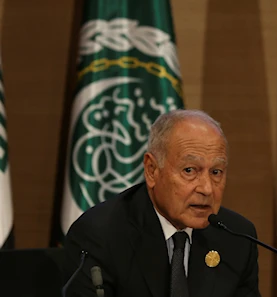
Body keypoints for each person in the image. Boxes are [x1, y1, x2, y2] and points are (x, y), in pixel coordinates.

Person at [63, 109, 261, 297]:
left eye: (216, 172)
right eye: (190, 171)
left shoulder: (237, 239)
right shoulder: (100, 235)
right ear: (152, 170)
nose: (207, 189)